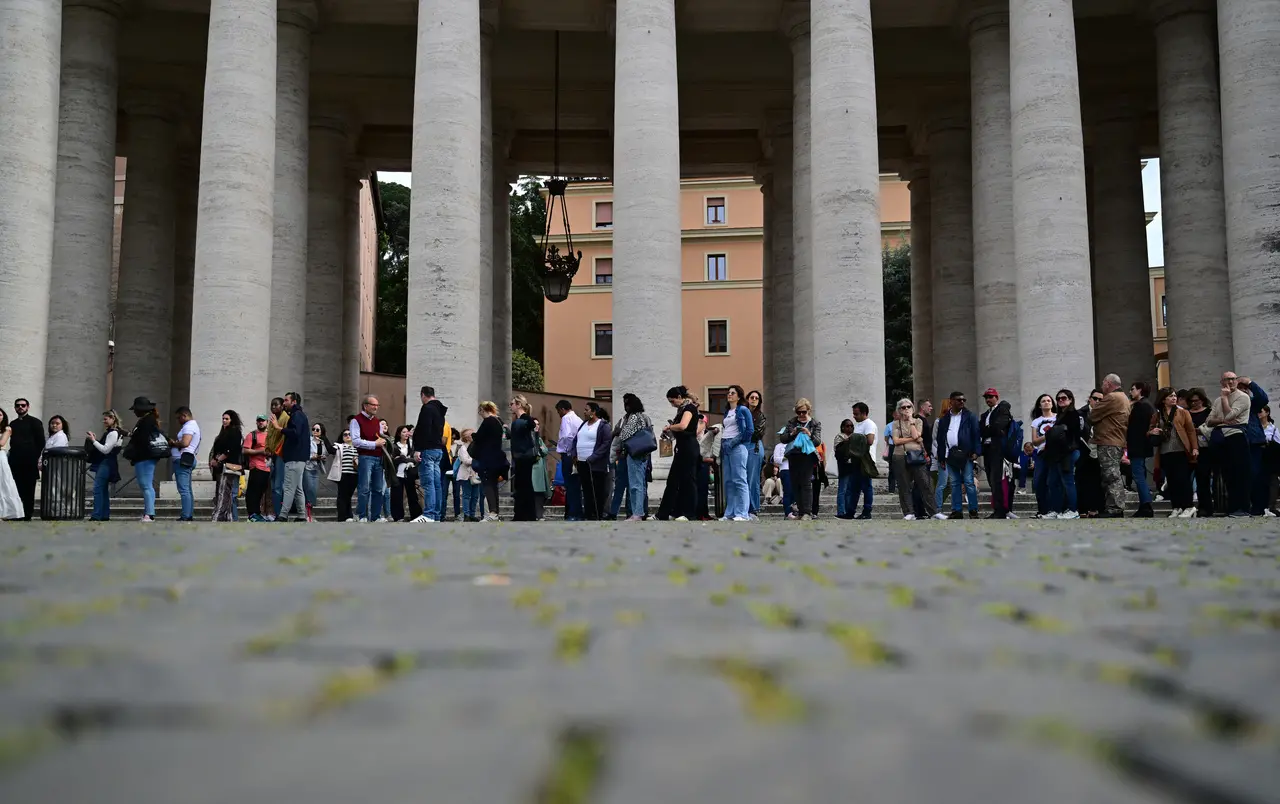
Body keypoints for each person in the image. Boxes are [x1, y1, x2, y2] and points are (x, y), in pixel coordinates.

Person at [1204, 370, 1252, 518]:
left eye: (1232, 379)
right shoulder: (1217, 400)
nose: (1230, 382)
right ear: (1221, 382)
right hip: (1221, 438)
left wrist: (1225, 399)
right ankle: (1231, 507)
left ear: (1237, 381)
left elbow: (1230, 415)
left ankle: (1243, 508)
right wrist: (1223, 420)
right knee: (1227, 474)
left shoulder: (1243, 397)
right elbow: (1209, 421)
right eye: (1226, 379)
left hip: (1236, 437)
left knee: (1240, 474)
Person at [1148, 386, 1198, 518]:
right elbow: (1150, 429)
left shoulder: (1183, 412)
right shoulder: (1157, 414)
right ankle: (1176, 507)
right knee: (1171, 480)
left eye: (1175, 396)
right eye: (1170, 396)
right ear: (1163, 399)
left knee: (1183, 479)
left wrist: (1194, 447)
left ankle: (1189, 506)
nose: (1174, 398)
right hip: (1165, 451)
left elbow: (1191, 430)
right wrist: (1152, 432)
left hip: (1181, 449)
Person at [932, 391, 981, 520]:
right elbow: (940, 439)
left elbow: (976, 434)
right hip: (949, 456)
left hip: (966, 455)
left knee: (969, 482)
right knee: (954, 483)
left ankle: (973, 510)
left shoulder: (970, 416)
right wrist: (941, 457)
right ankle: (957, 510)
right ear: (951, 401)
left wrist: (976, 452)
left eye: (963, 400)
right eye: (959, 400)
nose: (962, 402)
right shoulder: (944, 419)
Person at [1091, 374, 1131, 518]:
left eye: (1103, 383)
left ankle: (1115, 508)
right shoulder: (1124, 398)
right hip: (1117, 440)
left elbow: (1093, 415)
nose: (1102, 386)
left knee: (1111, 475)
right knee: (1112, 474)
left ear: (1108, 383)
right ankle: (1113, 507)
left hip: (1109, 441)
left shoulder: (1111, 398)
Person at [658, 386, 699, 521]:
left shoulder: (689, 408)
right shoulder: (681, 410)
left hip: (689, 447)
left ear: (680, 397)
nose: (672, 404)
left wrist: (669, 427)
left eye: (672, 401)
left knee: (688, 481)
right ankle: (667, 512)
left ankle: (689, 513)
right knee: (673, 481)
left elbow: (683, 426)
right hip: (681, 447)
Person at [613, 394, 654, 521]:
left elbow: (625, 435)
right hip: (643, 454)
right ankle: (639, 512)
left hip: (634, 453)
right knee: (640, 484)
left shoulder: (633, 417)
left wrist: (619, 431)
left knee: (635, 485)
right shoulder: (644, 417)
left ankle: (637, 513)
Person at [891, 399, 935, 520]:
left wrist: (911, 422)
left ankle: (934, 511)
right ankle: (909, 512)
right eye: (903, 408)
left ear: (912, 408)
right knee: (904, 485)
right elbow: (896, 441)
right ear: (899, 410)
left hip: (916, 455)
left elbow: (916, 435)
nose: (906, 409)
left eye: (908, 407)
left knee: (925, 483)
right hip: (899, 455)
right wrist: (912, 439)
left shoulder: (917, 421)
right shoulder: (896, 423)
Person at [1042, 390, 1082, 519]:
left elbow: (1073, 435)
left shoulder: (1073, 414)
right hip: (1056, 454)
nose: (1060, 400)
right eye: (1058, 399)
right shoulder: (1060, 416)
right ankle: (1056, 510)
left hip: (1067, 453)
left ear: (1070, 399)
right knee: (1053, 482)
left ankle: (1073, 510)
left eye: (1064, 398)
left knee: (1067, 481)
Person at [780, 398, 822, 521]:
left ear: (809, 410)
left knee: (806, 483)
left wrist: (809, 433)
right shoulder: (791, 422)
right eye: (799, 412)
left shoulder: (815, 423)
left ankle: (807, 512)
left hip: (807, 456)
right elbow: (783, 439)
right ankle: (799, 511)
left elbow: (817, 441)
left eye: (804, 412)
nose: (801, 415)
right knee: (795, 483)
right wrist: (793, 433)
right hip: (794, 455)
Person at [411, 386, 447, 523]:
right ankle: (436, 515)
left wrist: (418, 448)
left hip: (427, 449)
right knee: (437, 484)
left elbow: (425, 430)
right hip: (437, 449)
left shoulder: (427, 408)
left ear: (423, 395)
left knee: (428, 483)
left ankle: (429, 514)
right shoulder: (440, 410)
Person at [124, 397, 163, 522]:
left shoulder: (146, 421)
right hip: (147, 456)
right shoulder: (149, 420)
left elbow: (141, 439)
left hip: (144, 456)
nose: (134, 412)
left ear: (141, 410)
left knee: (145, 485)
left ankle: (149, 513)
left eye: (135, 409)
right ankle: (149, 512)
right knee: (147, 485)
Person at [349, 395, 387, 522]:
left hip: (378, 457)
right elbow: (355, 441)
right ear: (365, 406)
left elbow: (381, 437)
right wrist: (374, 444)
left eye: (377, 405)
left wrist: (383, 442)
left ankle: (375, 516)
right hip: (365, 457)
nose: (376, 407)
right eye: (373, 405)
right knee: (364, 488)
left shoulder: (377, 422)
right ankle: (362, 515)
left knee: (377, 488)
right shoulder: (356, 420)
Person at [719, 385, 754, 522]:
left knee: (740, 479)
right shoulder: (727, 411)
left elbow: (749, 430)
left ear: (738, 396)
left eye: (732, 393)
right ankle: (730, 513)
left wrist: (734, 442)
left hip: (737, 446)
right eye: (728, 393)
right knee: (728, 481)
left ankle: (742, 513)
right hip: (725, 445)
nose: (729, 395)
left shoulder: (743, 410)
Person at [979, 388, 1014, 518]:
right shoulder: (985, 414)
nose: (988, 399)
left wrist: (989, 428)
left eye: (991, 397)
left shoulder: (1002, 409)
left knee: (997, 479)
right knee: (991, 479)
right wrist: (989, 428)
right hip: (987, 449)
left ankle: (1001, 510)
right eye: (986, 397)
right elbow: (981, 430)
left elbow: (999, 425)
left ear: (996, 397)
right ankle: (998, 509)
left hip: (998, 449)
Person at [573, 401, 612, 520]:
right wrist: (574, 454)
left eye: (586, 410)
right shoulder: (583, 424)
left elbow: (606, 443)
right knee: (586, 489)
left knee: (597, 490)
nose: (584, 412)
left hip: (596, 464)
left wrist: (594, 457)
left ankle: (597, 513)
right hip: (582, 462)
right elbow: (576, 439)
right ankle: (588, 513)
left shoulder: (603, 425)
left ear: (593, 412)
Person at [276, 392, 311, 522]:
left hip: (294, 457)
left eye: (286, 400)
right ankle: (302, 514)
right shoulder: (300, 415)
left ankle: (283, 515)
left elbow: (295, 433)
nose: (284, 403)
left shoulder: (296, 415)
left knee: (289, 487)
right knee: (297, 488)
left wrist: (279, 428)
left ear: (294, 402)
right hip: (298, 457)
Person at [470, 401, 508, 521]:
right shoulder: (499, 421)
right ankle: (495, 513)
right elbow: (508, 434)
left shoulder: (487, 421)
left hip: (487, 458)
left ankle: (492, 512)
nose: (480, 414)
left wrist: (473, 435)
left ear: (483, 409)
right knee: (494, 485)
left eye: (480, 412)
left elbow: (478, 437)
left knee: (488, 485)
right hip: (497, 457)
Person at [1238, 376, 1270, 515]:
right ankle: (1242, 506)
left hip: (1254, 442)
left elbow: (1263, 398)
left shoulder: (1252, 403)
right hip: (1236, 442)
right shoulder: (1228, 402)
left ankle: (1258, 508)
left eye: (1246, 389)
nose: (1244, 391)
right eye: (1241, 388)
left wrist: (1250, 383)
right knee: (1240, 476)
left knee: (1256, 475)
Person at [7, 399, 43, 520]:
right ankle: (17, 513)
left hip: (29, 461)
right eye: (18, 406)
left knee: (29, 488)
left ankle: (27, 514)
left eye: (23, 405)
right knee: (16, 487)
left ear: (28, 407)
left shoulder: (35, 422)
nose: (20, 407)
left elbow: (41, 442)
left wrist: (34, 456)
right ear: (15, 408)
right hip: (15, 461)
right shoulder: (13, 424)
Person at [85, 410, 124, 521]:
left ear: (113, 419)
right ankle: (104, 514)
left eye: (106, 419)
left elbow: (105, 450)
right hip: (107, 462)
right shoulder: (112, 432)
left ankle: (97, 515)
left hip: (106, 462)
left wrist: (93, 440)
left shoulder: (113, 433)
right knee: (103, 490)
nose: (104, 421)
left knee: (98, 488)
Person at [1126, 381, 1156, 517]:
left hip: (1137, 446)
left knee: (1138, 475)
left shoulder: (1140, 406)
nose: (1130, 392)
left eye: (1133, 389)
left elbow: (1134, 428)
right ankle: (1144, 504)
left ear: (1140, 390)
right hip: (1142, 445)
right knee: (1140, 474)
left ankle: (1146, 505)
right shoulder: (1148, 405)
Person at [1184, 387, 1215, 517]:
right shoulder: (1185, 413)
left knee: (1203, 478)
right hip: (1188, 447)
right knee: (1185, 478)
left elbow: (1213, 427)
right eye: (1191, 401)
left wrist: (1200, 430)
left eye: (1196, 401)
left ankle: (1205, 507)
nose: (1193, 403)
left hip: (1204, 447)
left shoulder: (1209, 412)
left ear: (1202, 400)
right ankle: (1187, 506)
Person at [1026, 394, 1058, 518]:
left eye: (1049, 400)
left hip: (1055, 453)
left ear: (1052, 403)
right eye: (1043, 401)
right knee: (1039, 481)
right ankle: (1042, 510)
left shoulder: (1058, 418)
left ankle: (1053, 510)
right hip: (1040, 453)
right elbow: (1034, 441)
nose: (1046, 402)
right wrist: (1049, 435)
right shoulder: (1036, 421)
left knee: (1053, 481)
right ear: (1039, 405)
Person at [209, 410, 244, 522]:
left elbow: (230, 450)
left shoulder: (234, 432)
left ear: (232, 420)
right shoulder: (223, 432)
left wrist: (217, 460)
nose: (224, 421)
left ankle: (228, 516)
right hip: (221, 467)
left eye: (226, 419)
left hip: (229, 466)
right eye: (223, 418)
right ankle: (227, 516)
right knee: (223, 492)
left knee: (228, 493)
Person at [509, 395, 538, 522]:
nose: (510, 406)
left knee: (523, 485)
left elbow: (531, 424)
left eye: (512, 404)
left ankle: (523, 514)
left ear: (518, 405)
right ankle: (525, 514)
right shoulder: (519, 421)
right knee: (523, 485)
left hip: (523, 457)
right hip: (523, 456)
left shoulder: (523, 420)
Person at [555, 400, 585, 522]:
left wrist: (567, 450)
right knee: (576, 485)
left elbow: (567, 436)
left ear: (562, 409)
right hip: (578, 455)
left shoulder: (566, 418)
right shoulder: (578, 419)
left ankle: (572, 513)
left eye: (558, 412)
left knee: (570, 485)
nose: (559, 414)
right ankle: (575, 512)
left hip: (568, 455)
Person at [169, 406, 201, 522]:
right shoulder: (192, 426)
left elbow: (185, 442)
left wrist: (174, 443)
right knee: (187, 489)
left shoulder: (189, 426)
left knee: (184, 490)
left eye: (179, 418)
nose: (178, 421)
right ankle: (188, 514)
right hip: (187, 459)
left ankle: (186, 515)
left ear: (184, 415)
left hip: (183, 459)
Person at [847, 402, 877, 520]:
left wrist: (853, 438)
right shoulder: (859, 424)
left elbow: (870, 440)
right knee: (854, 487)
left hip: (866, 460)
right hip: (857, 459)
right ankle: (850, 511)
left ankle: (867, 511)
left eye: (856, 414)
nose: (854, 416)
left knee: (866, 487)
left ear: (864, 413)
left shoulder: (869, 424)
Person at [390, 424, 422, 522]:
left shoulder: (411, 445)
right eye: (403, 432)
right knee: (397, 495)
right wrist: (402, 459)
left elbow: (415, 459)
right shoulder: (395, 446)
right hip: (398, 473)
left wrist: (405, 459)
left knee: (412, 494)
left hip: (410, 473)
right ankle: (398, 516)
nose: (406, 434)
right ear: (399, 434)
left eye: (407, 432)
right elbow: (393, 460)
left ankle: (416, 515)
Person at [243, 414, 272, 521]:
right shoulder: (252, 435)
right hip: (256, 467)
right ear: (256, 422)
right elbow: (245, 450)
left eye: (263, 421)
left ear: (267, 422)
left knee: (262, 492)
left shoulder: (271, 435)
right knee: (253, 491)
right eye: (259, 421)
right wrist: (260, 451)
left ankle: (260, 513)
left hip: (269, 468)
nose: (261, 422)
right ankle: (252, 513)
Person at [0, 408, 26, 520]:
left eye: (0, 415)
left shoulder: (7, 429)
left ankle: (6, 512)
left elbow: (1, 443)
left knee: (3, 483)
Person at [745, 390, 767, 519]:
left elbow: (757, 433)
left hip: (754, 447)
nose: (754, 399)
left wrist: (743, 434)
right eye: (751, 397)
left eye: (756, 398)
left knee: (752, 479)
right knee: (742, 479)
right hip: (742, 446)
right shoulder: (741, 412)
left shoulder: (760, 416)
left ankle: (753, 509)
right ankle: (742, 507)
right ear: (747, 399)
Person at [305, 423, 333, 520]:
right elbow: (304, 454)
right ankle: (307, 513)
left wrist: (323, 457)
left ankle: (310, 512)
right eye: (313, 429)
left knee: (314, 490)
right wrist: (312, 457)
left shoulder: (322, 442)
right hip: (308, 467)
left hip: (316, 468)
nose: (315, 431)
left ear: (321, 432)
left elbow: (326, 453)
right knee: (309, 489)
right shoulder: (308, 440)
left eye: (317, 430)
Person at [265, 397, 287, 519]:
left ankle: (280, 513)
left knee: (279, 485)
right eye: (272, 405)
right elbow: (269, 435)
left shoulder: (285, 418)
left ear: (282, 406)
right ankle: (275, 512)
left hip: (280, 455)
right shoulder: (272, 419)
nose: (273, 407)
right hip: (272, 455)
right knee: (273, 485)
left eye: (276, 405)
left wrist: (276, 425)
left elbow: (283, 435)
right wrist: (267, 449)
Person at [333, 430, 358, 522]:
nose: (347, 436)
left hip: (354, 474)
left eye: (349, 434)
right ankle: (342, 516)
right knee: (342, 495)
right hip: (343, 474)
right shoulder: (339, 446)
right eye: (345, 434)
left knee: (348, 495)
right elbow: (331, 450)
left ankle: (348, 515)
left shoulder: (357, 447)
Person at [456, 429, 481, 521]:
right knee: (466, 495)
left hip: (475, 474)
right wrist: (476, 461)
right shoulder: (463, 448)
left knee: (475, 496)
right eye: (472, 434)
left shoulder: (477, 447)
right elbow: (465, 461)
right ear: (467, 437)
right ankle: (466, 514)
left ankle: (472, 514)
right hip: (466, 474)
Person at [1259, 404, 1279, 517]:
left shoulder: (1273, 429)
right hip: (1258, 456)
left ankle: (1271, 506)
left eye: (1260, 411)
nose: (1259, 414)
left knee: (1272, 480)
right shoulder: (1254, 428)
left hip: (1269, 458)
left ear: (1267, 413)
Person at [531, 418, 552, 521]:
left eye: (538, 424)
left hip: (539, 469)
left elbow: (545, 450)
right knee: (533, 492)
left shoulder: (538, 438)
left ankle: (539, 514)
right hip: (532, 468)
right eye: (535, 424)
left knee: (539, 493)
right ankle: (534, 514)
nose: (537, 426)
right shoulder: (528, 437)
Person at [771, 440, 792, 516]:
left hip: (795, 469)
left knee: (794, 492)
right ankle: (788, 512)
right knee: (787, 492)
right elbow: (776, 459)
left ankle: (794, 511)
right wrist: (785, 457)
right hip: (785, 469)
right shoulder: (778, 446)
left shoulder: (794, 443)